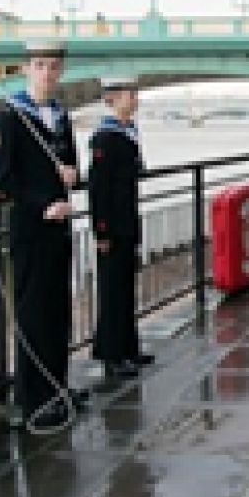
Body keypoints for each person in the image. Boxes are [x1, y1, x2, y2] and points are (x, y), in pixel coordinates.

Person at [0, 41, 83, 430]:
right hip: (31, 227)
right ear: (28, 69)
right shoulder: (11, 115)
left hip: (60, 225)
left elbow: (72, 166)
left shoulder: (61, 117)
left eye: (52, 66)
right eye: (39, 65)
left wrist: (72, 175)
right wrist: (40, 204)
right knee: (33, 312)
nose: (46, 73)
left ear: (60, 71)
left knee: (58, 309)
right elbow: (5, 176)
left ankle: (58, 387)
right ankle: (33, 398)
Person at [89, 77, 154, 380]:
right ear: (113, 98)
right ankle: (111, 354)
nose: (135, 98)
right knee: (112, 291)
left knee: (126, 288)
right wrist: (101, 231)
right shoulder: (106, 137)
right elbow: (98, 188)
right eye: (130, 94)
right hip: (112, 226)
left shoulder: (128, 132)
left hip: (127, 221)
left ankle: (128, 347)